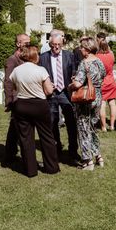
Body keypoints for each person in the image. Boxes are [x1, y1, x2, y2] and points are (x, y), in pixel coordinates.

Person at [9, 46, 59, 177]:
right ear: (35, 56)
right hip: (39, 105)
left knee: (26, 139)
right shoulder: (41, 70)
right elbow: (48, 91)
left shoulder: (16, 71)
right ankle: (51, 167)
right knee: (47, 136)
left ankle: (30, 170)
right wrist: (50, 87)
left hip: (22, 105)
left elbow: (14, 87)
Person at [39, 32, 79, 161]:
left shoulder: (69, 55)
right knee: (52, 121)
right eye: (53, 45)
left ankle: (73, 150)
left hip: (66, 92)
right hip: (51, 93)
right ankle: (56, 147)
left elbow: (74, 70)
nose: (56, 47)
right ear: (50, 44)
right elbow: (40, 74)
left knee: (71, 122)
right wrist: (46, 83)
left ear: (62, 44)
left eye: (58, 45)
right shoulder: (43, 57)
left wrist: (74, 77)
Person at [69, 37, 106, 171]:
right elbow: (102, 76)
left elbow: (78, 83)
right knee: (92, 127)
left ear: (87, 49)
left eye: (82, 47)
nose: (80, 49)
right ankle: (98, 156)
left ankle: (87, 161)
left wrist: (71, 85)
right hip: (97, 96)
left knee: (83, 129)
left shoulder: (84, 63)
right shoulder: (99, 61)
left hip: (86, 99)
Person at [3, 33, 30, 163]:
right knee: (16, 126)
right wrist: (10, 100)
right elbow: (8, 82)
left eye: (29, 42)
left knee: (15, 126)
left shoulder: (27, 59)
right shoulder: (12, 60)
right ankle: (11, 153)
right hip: (17, 98)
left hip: (27, 98)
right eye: (26, 43)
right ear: (18, 44)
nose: (28, 45)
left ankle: (10, 152)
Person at [96, 37, 116, 131]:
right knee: (112, 103)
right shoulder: (111, 54)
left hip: (102, 82)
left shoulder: (97, 56)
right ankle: (112, 125)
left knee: (102, 104)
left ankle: (104, 126)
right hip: (111, 80)